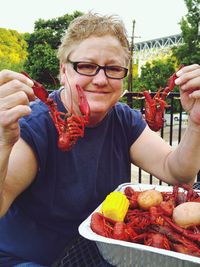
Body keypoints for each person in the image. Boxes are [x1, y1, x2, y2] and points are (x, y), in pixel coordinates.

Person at [0, 12, 200, 267]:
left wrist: (195, 123)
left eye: (113, 68)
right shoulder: (35, 124)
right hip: (30, 260)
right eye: (86, 66)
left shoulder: (122, 119)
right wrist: (2, 142)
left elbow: (178, 173)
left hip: (99, 254)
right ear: (63, 71)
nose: (101, 79)